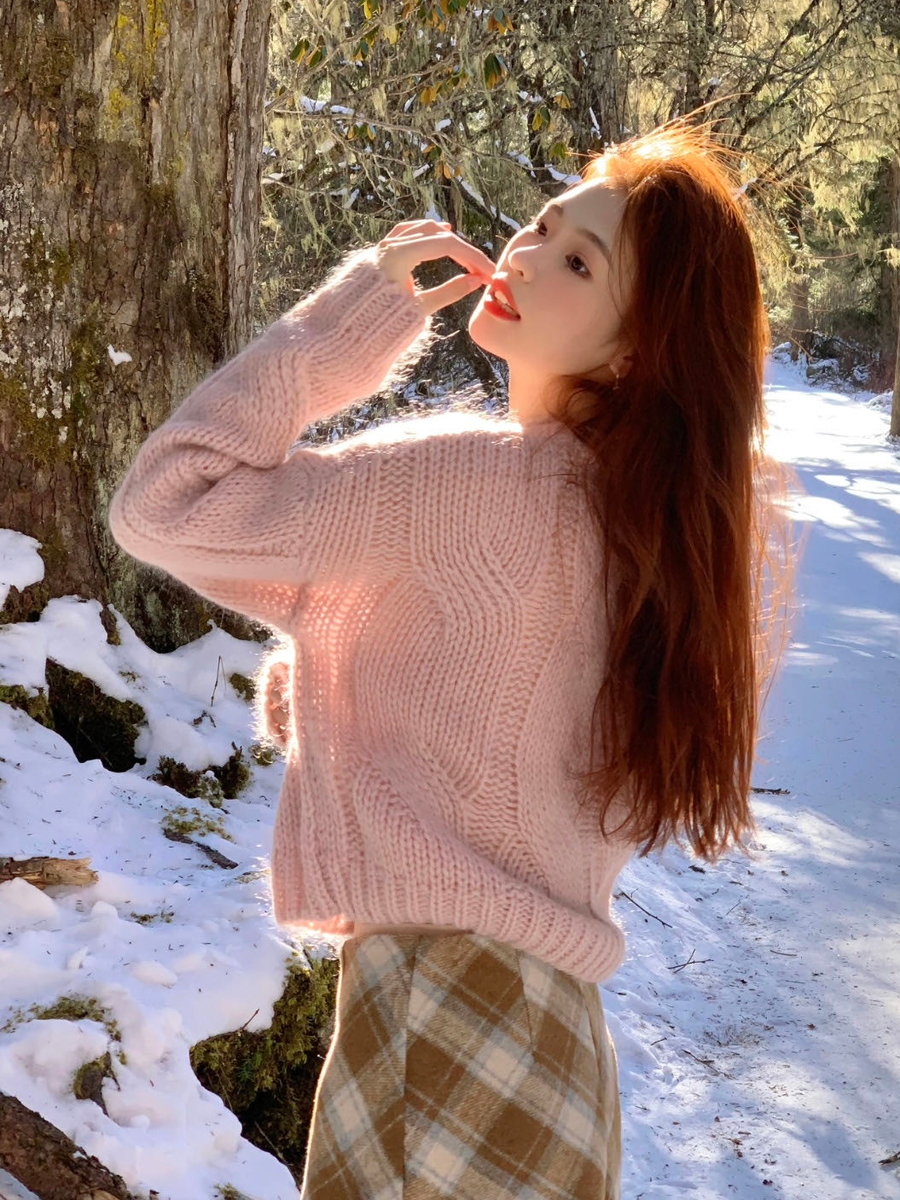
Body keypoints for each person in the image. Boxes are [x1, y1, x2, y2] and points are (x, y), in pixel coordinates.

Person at [108, 111, 796, 1199]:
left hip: (438, 1013)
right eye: (543, 224)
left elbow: (167, 502)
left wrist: (351, 325)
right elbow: (494, 720)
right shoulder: (664, 544)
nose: (527, 253)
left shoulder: (463, 487)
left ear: (639, 349)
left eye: (580, 262)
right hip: (560, 1043)